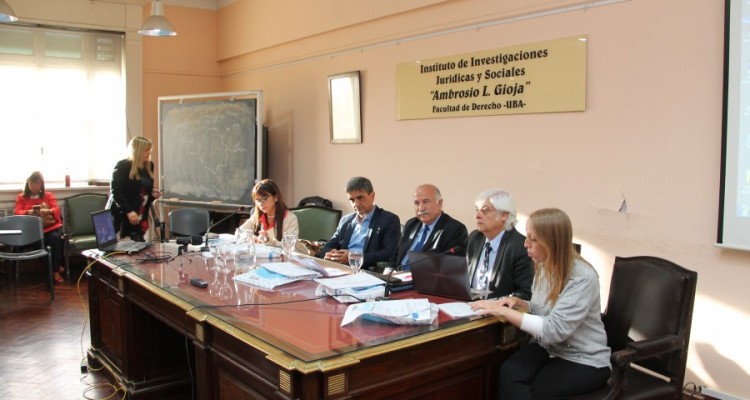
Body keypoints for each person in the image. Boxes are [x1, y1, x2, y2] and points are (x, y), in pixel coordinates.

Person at [470, 208, 611, 398]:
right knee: (508, 372)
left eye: (533, 239)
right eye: (527, 236)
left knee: (532, 390)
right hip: (550, 349)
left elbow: (554, 330)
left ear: (552, 243)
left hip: (584, 359)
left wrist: (501, 311)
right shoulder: (545, 266)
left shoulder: (582, 278)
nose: (526, 244)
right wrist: (521, 303)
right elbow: (541, 309)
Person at [319, 176, 400, 269]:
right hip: (341, 269)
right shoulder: (345, 220)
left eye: (360, 197)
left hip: (367, 271)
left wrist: (353, 257)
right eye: (352, 200)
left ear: (372, 196)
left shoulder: (389, 219)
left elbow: (389, 253)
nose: (356, 204)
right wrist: (331, 254)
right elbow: (328, 246)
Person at [466, 189, 533, 300]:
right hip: (468, 307)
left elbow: (525, 292)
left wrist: (496, 304)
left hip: (498, 313)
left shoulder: (521, 246)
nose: (477, 215)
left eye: (485, 210)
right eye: (477, 210)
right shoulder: (475, 238)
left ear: (504, 215)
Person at [393, 184, 468, 269]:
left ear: (439, 203)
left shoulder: (455, 229)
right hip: (395, 278)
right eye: (417, 203)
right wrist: (388, 270)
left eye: (426, 202)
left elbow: (451, 268)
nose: (420, 208)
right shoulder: (411, 224)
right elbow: (396, 255)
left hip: (423, 279)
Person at [106, 136, 162, 241]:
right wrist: (129, 211)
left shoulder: (149, 166)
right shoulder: (123, 166)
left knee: (140, 250)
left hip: (140, 216)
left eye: (149, 150)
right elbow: (116, 191)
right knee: (121, 251)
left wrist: (152, 194)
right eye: (146, 150)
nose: (149, 153)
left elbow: (144, 190)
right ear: (137, 150)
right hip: (122, 216)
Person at [14, 171, 65, 283]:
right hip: (31, 231)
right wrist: (29, 212)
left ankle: (55, 270)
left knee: (55, 239)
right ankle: (55, 269)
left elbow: (56, 209)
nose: (35, 186)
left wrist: (47, 210)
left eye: (38, 184)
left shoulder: (48, 195)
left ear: (41, 184)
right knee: (40, 245)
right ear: (28, 183)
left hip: (48, 228)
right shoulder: (21, 197)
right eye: (33, 183)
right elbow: (17, 212)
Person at [239, 179, 303, 251]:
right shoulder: (258, 215)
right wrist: (251, 237)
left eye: (265, 198)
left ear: (276, 197)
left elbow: (289, 246)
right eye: (258, 200)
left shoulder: (290, 218)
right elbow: (240, 231)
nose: (261, 203)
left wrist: (268, 241)